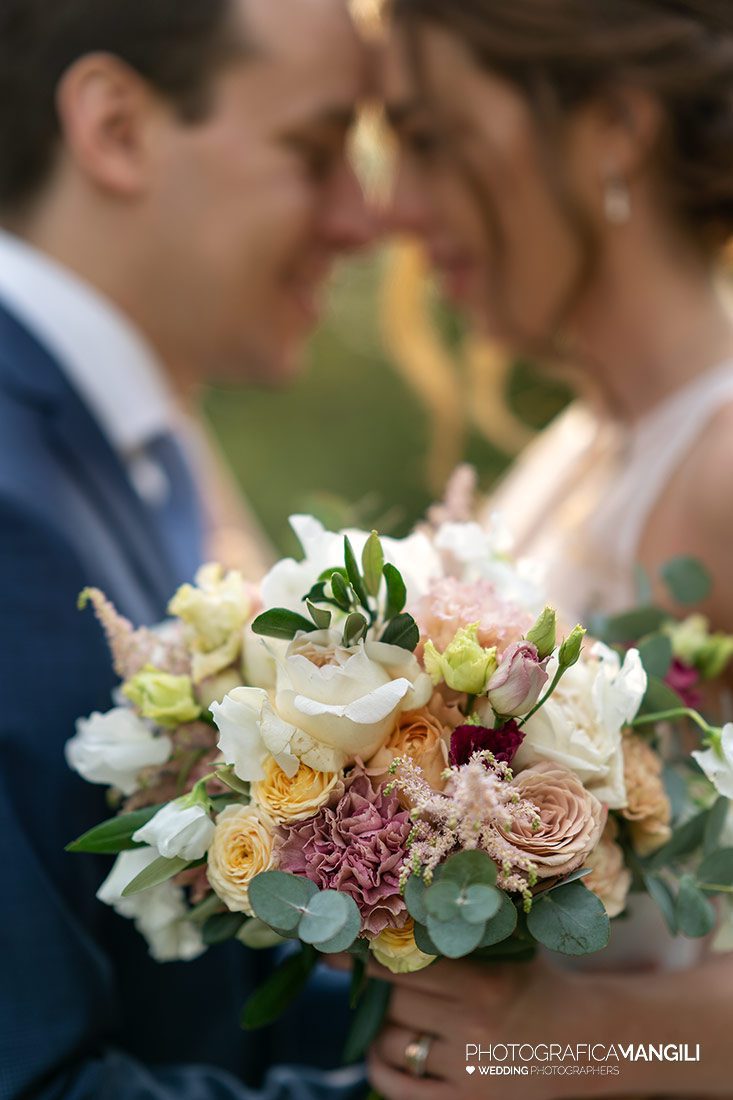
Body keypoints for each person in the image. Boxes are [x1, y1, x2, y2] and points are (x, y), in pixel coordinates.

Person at [0, 0, 376, 1097]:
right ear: (116, 128)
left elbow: (184, 1002)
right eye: (315, 150)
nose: (363, 219)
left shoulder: (129, 449)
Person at [369, 0, 733, 1096]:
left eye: (430, 138)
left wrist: (566, 1038)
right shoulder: (578, 448)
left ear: (613, 126)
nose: (395, 205)